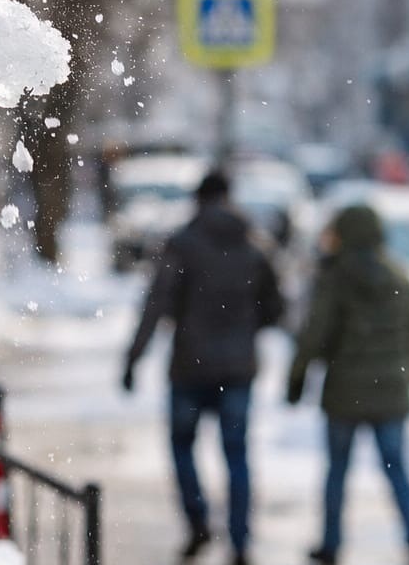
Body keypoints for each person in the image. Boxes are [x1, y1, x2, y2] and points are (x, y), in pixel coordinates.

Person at [122, 168, 284, 565]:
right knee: (236, 454)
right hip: (238, 369)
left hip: (190, 366)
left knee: (182, 446)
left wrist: (133, 358)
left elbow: (157, 303)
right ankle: (240, 540)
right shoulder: (254, 246)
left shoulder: (182, 244)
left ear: (198, 199)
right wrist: (244, 328)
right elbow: (276, 309)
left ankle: (197, 521)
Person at [287, 204, 409, 565]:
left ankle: (331, 545)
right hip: (391, 393)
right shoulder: (399, 276)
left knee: (337, 472)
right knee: (397, 471)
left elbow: (314, 335)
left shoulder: (335, 278)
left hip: (345, 393)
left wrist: (297, 379)